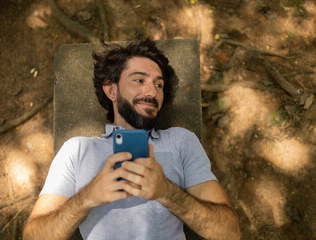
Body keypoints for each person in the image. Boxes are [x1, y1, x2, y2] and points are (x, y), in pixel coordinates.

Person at [23, 38, 241, 240]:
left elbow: (230, 232)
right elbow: (33, 236)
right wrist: (87, 198)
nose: (152, 92)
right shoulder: (77, 150)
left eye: (159, 85)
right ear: (111, 90)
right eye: (138, 80)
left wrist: (167, 192)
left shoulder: (181, 142)